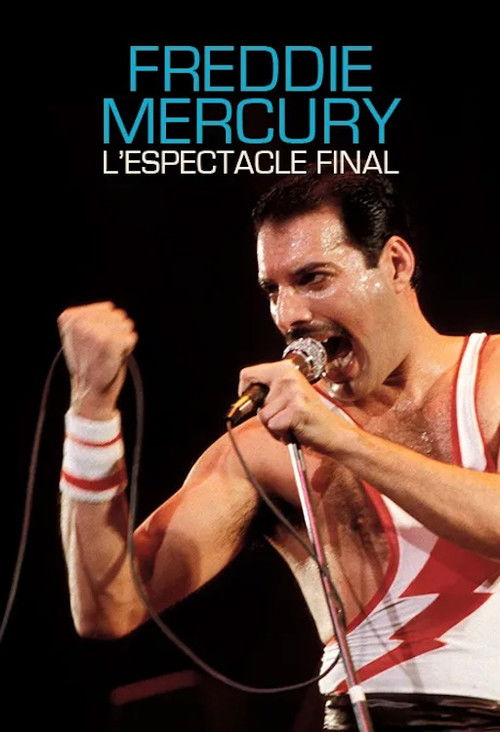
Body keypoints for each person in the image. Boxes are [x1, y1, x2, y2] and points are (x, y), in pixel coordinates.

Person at [58, 171, 500, 730]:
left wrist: (344, 440)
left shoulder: (493, 379)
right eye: (273, 290)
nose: (289, 315)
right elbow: (108, 606)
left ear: (395, 264)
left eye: (313, 278)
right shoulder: (267, 447)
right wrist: (92, 411)